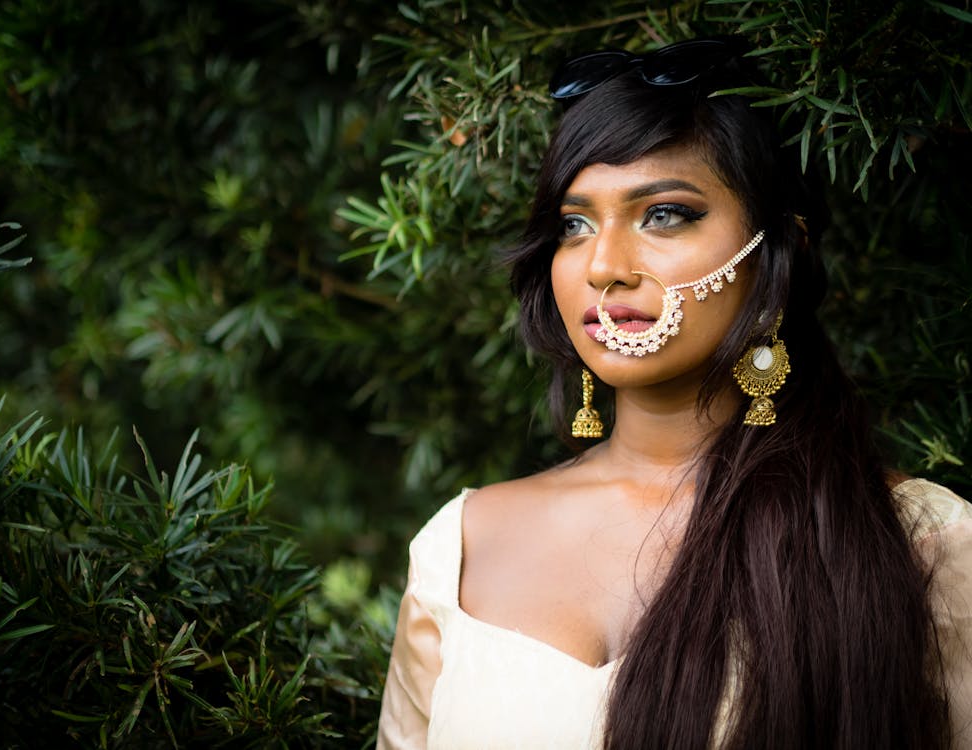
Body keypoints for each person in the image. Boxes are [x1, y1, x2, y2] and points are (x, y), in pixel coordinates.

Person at [376, 36, 972, 749]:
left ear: (780, 249)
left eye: (664, 214)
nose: (604, 266)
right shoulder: (462, 547)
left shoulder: (923, 544)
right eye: (575, 224)